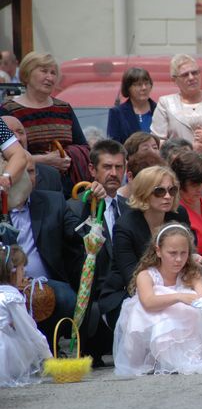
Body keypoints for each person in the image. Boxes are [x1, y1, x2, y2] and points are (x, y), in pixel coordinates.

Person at [113, 222, 202, 375]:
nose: (178, 259)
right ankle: (154, 358)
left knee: (191, 311)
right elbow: (149, 302)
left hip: (183, 327)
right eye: (172, 253)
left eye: (183, 253)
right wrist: (179, 297)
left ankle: (183, 356)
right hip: (152, 317)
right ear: (158, 251)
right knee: (168, 309)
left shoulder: (190, 273)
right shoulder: (146, 275)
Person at [11, 153, 91, 347]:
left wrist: (90, 204)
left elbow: (81, 234)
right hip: (7, 282)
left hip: (46, 282)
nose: (28, 178)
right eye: (23, 172)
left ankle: (50, 345)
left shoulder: (53, 201)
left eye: (32, 171)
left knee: (67, 298)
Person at [99, 166, 190, 329]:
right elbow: (132, 277)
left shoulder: (178, 214)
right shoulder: (125, 226)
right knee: (165, 321)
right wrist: (174, 295)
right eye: (159, 191)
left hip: (173, 283)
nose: (168, 196)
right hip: (127, 292)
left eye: (172, 190)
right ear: (144, 193)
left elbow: (188, 257)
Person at [67, 139, 128, 365]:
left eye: (119, 167)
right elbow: (77, 240)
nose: (114, 173)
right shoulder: (75, 206)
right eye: (107, 167)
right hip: (96, 294)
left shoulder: (129, 207)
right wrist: (92, 204)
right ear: (92, 170)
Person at [0, 52, 89, 196]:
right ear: (27, 73)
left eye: (53, 73)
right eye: (44, 71)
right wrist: (43, 160)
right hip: (28, 191)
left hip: (67, 190)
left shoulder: (64, 108)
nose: (50, 77)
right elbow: (4, 157)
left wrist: (67, 155)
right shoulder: (8, 110)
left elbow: (84, 147)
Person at [0, 244, 52, 387]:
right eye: (22, 269)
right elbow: (30, 330)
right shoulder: (11, 297)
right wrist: (49, 356)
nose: (24, 273)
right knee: (22, 342)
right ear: (13, 272)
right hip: (4, 353)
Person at [1, 116, 60, 192]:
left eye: (20, 132)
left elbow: (18, 155)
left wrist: (6, 178)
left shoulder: (50, 175)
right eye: (10, 134)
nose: (17, 138)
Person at [107, 67, 157, 143]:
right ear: (128, 88)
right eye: (138, 85)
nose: (144, 88)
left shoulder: (160, 109)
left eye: (147, 83)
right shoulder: (117, 113)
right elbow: (114, 145)